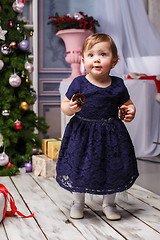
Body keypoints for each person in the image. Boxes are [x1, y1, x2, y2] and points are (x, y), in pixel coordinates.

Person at [56, 33, 139, 221]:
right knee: (79, 165)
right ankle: (78, 202)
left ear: (114, 60)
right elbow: (65, 105)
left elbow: (128, 104)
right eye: (91, 55)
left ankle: (109, 203)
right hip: (82, 133)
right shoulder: (79, 83)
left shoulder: (117, 84)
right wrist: (69, 108)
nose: (97, 60)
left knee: (112, 167)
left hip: (111, 134)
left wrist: (130, 111)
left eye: (103, 54)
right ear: (83, 60)